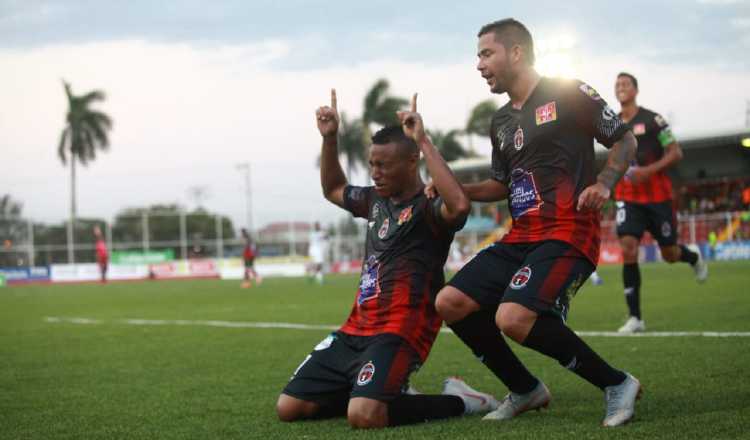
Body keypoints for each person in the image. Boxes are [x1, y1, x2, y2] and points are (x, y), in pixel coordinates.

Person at [430, 18, 641, 427]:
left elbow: (624, 139)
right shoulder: (501, 122)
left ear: (516, 52)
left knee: (512, 317)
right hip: (522, 236)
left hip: (568, 232)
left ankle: (617, 383)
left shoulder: (569, 91)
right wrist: (452, 187)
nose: (479, 65)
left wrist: (603, 181)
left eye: (486, 54)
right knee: (449, 302)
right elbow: (500, 184)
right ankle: (526, 389)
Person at [276, 90, 497, 429]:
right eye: (372, 165)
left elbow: (461, 206)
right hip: (355, 329)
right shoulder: (373, 202)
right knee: (290, 408)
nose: (375, 173)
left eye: (383, 165)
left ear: (412, 162)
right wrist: (331, 139)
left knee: (365, 416)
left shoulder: (430, 207)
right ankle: (380, 389)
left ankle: (462, 400)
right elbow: (334, 188)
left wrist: (422, 140)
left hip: (400, 331)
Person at [613, 72, 708, 333]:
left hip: (657, 197)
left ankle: (692, 257)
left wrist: (649, 170)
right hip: (627, 196)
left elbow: (676, 152)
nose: (621, 87)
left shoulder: (653, 120)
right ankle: (635, 318)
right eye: (617, 85)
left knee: (669, 254)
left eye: (625, 84)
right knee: (628, 246)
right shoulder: (611, 123)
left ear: (635, 90)